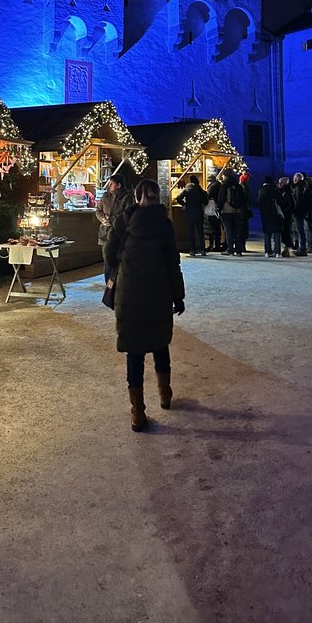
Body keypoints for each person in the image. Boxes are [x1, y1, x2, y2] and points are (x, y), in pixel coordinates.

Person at [105, 178, 185, 433]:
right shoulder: (164, 225)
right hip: (158, 292)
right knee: (160, 343)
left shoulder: (124, 221)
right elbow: (173, 263)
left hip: (129, 294)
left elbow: (108, 252)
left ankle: (137, 412)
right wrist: (178, 295)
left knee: (134, 351)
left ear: (137, 197)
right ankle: (165, 393)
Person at [95, 171, 134, 281]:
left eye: (111, 184)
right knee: (107, 261)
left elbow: (126, 215)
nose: (109, 186)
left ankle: (117, 284)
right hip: (104, 234)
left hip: (119, 235)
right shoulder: (105, 196)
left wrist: (111, 220)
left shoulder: (127, 198)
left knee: (117, 261)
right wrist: (102, 218)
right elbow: (98, 210)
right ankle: (109, 285)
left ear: (118, 185)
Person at [175, 173, 209, 256]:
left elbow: (178, 198)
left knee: (191, 231)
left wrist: (184, 204)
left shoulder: (187, 189)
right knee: (200, 231)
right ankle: (202, 250)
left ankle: (192, 250)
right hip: (199, 212)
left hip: (189, 212)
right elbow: (206, 201)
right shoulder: (200, 190)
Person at [217, 168, 248, 256]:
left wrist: (219, 208)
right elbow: (244, 198)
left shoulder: (224, 185)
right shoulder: (238, 185)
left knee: (229, 230)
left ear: (225, 175)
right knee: (238, 230)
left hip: (227, 210)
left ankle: (230, 249)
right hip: (238, 211)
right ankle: (238, 250)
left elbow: (221, 198)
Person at [257, 175, 283, 258]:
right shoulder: (275, 190)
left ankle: (267, 251)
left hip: (265, 214)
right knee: (277, 232)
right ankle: (277, 252)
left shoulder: (261, 191)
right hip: (275, 214)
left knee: (267, 233)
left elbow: (259, 202)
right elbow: (281, 201)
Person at [291, 172, 312, 256]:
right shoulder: (304, 186)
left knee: (301, 230)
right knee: (303, 230)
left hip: (300, 212)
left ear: (297, 179)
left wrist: (295, 210)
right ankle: (304, 247)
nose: (293, 180)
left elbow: (299, 200)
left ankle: (302, 249)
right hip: (304, 211)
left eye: (294, 178)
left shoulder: (299, 187)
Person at [236, 171, 253, 254]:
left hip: (241, 211)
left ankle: (240, 246)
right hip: (245, 211)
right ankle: (242, 246)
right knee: (243, 229)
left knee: (240, 229)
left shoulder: (241, 188)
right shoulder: (246, 188)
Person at [276, 177, 294, 257]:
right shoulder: (282, 191)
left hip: (287, 216)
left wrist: (284, 211)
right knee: (284, 232)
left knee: (286, 232)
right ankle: (286, 247)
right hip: (284, 215)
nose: (279, 184)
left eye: (281, 183)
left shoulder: (288, 193)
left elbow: (291, 205)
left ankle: (287, 248)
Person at [204, 173, 222, 252]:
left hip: (212, 211)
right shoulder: (219, 185)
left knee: (211, 230)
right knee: (217, 229)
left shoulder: (212, 187)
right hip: (218, 210)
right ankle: (217, 245)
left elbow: (207, 197)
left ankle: (211, 246)